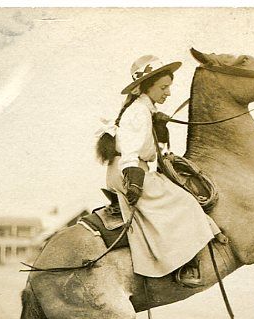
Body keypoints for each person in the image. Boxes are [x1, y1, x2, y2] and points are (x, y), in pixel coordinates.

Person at [96, 55, 224, 287]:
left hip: (135, 169)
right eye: (164, 87)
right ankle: (183, 265)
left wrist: (160, 126)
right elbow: (131, 152)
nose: (168, 93)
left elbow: (157, 151)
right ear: (148, 87)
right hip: (130, 172)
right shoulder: (137, 112)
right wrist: (134, 181)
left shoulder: (146, 110)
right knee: (184, 202)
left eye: (169, 87)